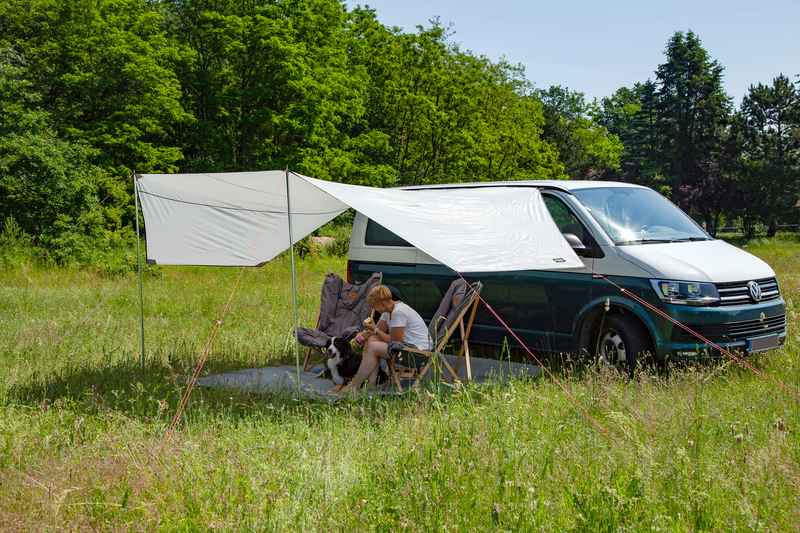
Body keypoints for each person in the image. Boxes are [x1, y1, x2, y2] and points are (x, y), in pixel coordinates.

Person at [342, 285, 432, 391]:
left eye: (374, 306)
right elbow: (377, 331)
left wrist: (375, 329)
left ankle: (355, 385)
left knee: (373, 347)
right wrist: (362, 334)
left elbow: (394, 340)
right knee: (372, 340)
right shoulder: (388, 310)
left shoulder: (398, 312)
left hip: (418, 354)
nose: (373, 309)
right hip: (408, 347)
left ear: (383, 304)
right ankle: (371, 384)